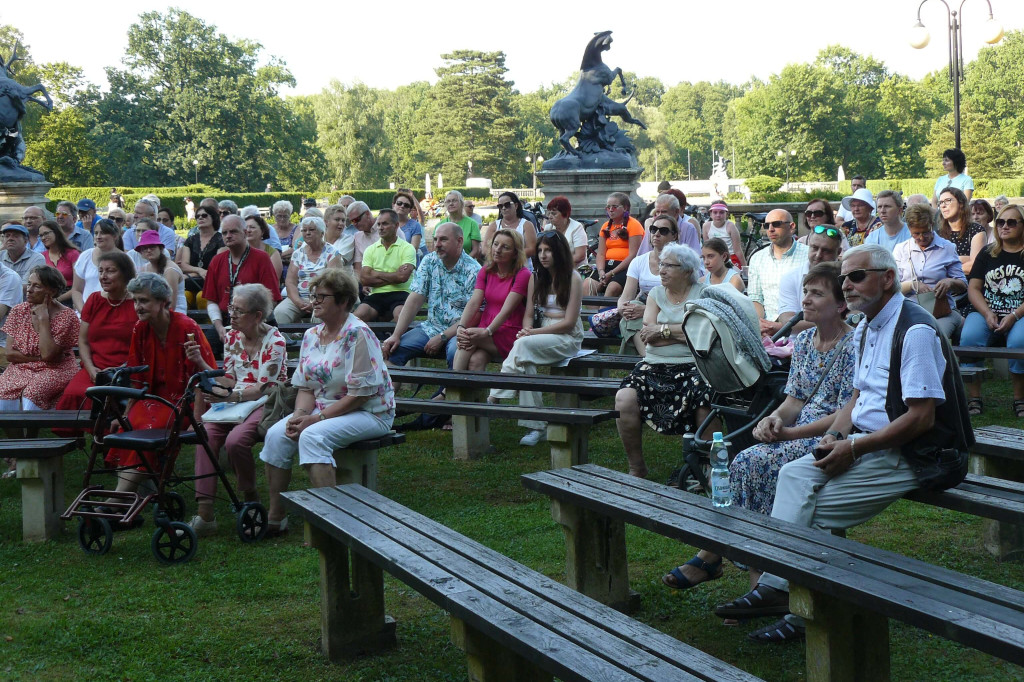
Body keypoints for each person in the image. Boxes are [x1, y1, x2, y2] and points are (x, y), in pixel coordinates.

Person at [714, 243, 970, 644]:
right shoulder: (868, 325)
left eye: (856, 276)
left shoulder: (915, 330)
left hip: (916, 453)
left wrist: (854, 448)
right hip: (865, 441)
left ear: (887, 279)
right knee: (791, 476)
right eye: (845, 278)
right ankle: (781, 593)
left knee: (806, 515)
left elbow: (922, 419)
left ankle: (787, 603)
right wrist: (836, 435)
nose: (847, 285)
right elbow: (857, 396)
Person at [662, 262, 855, 591]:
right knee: (748, 460)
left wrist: (790, 432)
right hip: (797, 429)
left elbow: (845, 413)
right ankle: (748, 566)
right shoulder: (806, 340)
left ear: (840, 305)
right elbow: (793, 400)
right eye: (805, 292)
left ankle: (735, 566)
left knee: (754, 462)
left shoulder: (854, 344)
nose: (806, 300)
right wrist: (774, 419)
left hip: (831, 434)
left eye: (817, 294)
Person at [259, 268, 395, 536]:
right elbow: (306, 385)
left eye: (322, 296)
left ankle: (333, 524)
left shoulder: (358, 334)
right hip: (322, 408)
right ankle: (276, 516)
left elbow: (361, 395)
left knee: (312, 437)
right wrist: (299, 414)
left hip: (370, 411)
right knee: (276, 435)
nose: (315, 301)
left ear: (343, 301)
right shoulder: (312, 335)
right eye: (314, 295)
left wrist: (315, 420)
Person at [103, 273, 217, 495]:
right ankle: (128, 496)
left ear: (163, 302)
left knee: (150, 427)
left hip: (187, 402)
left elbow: (202, 379)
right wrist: (126, 413)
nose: (137, 306)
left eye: (144, 301)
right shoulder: (140, 328)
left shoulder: (187, 327)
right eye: (135, 300)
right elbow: (136, 378)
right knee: (129, 427)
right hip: (152, 399)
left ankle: (118, 500)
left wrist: (198, 420)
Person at [190, 284, 287, 536]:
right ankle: (205, 513)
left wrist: (231, 395)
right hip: (235, 400)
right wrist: (201, 363)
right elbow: (231, 377)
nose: (230, 314)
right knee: (205, 436)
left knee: (236, 441)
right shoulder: (233, 336)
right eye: (231, 308)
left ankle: (250, 494)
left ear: (257, 315)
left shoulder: (275, 341)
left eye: (238, 310)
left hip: (266, 401)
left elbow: (263, 388)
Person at [615, 243, 711, 479]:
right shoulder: (656, 294)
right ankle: (637, 467)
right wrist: (682, 332)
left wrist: (663, 331)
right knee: (624, 397)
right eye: (661, 264)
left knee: (703, 397)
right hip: (654, 364)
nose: (662, 270)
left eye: (669, 265)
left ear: (688, 271)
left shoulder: (704, 293)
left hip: (693, 365)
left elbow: (703, 335)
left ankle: (707, 468)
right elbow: (648, 336)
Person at [488, 232, 584, 446]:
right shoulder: (536, 277)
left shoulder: (573, 277)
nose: (543, 255)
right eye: (540, 250)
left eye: (548, 250)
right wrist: (527, 329)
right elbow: (529, 314)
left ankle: (496, 395)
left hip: (566, 336)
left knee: (522, 346)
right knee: (526, 361)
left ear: (559, 252)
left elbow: (569, 322)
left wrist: (531, 334)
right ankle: (536, 426)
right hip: (540, 333)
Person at [381, 222, 481, 368]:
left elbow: (476, 315)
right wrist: (396, 335)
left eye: (443, 239)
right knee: (392, 350)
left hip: (459, 331)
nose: (437, 244)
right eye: (435, 239)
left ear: (459, 241)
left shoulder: (473, 270)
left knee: (456, 354)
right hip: (431, 327)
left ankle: (446, 390)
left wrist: (442, 337)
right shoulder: (429, 261)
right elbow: (414, 300)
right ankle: (389, 390)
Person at [960, 203, 1024, 417]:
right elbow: (974, 288)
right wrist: (987, 313)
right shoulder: (988, 253)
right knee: (969, 336)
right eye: (1001, 222)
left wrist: (1014, 316)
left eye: (1012, 222)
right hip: (986, 310)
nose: (1005, 226)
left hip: (1020, 313)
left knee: (1019, 342)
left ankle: (1019, 398)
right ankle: (974, 398)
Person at [57, 252, 138, 412]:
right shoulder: (94, 300)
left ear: (125, 274)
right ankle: (78, 437)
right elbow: (83, 341)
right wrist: (90, 367)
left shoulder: (138, 304)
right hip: (95, 367)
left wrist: (121, 369)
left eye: (110, 271)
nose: (103, 276)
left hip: (127, 370)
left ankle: (106, 434)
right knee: (74, 394)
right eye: (100, 271)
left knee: (113, 400)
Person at [0, 266, 80, 411]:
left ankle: (32, 433)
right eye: (29, 284)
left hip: (56, 369)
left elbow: (49, 355)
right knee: (3, 393)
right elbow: (10, 354)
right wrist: (39, 359)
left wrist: (43, 319)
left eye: (36, 286)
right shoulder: (19, 311)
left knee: (32, 395)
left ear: (52, 291)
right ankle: (16, 435)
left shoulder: (67, 316)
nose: (29, 289)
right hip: (21, 367)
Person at [453, 229, 531, 371]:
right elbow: (474, 302)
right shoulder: (486, 271)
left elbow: (507, 311)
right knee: (476, 360)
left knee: (469, 338)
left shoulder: (523, 274)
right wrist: (461, 326)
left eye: (505, 247)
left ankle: (448, 389)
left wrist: (487, 332)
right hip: (486, 326)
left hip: (508, 330)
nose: (498, 250)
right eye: (495, 244)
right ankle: (468, 392)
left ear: (515, 253)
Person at [611, 215, 683, 355]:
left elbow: (679, 302)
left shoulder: (680, 262)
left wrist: (645, 309)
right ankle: (649, 358)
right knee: (629, 319)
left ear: (673, 236)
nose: (656, 234)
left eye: (663, 231)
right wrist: (624, 309)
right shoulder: (639, 261)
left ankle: (647, 360)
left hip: (670, 313)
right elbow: (626, 296)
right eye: (653, 229)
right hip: (644, 315)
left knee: (630, 324)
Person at [203, 216, 282, 343]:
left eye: (233, 231)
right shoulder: (217, 261)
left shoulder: (262, 258)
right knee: (208, 348)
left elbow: (271, 299)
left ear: (245, 232)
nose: (228, 236)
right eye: (224, 233)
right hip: (225, 320)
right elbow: (211, 301)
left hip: (257, 321)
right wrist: (219, 327)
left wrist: (249, 324)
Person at [893, 204, 967, 339]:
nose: (921, 237)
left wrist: (949, 282)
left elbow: (963, 285)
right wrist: (913, 285)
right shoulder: (901, 250)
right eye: (916, 233)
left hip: (942, 312)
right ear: (909, 229)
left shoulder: (947, 248)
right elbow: (893, 289)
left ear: (932, 225)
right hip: (909, 311)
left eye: (926, 232)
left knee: (932, 337)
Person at [775, 224, 845, 336]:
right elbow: (788, 323)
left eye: (826, 251)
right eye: (815, 248)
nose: (818, 255)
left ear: (838, 251)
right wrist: (838, 322)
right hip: (797, 345)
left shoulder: (848, 278)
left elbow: (858, 317)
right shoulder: (790, 277)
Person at [747, 209, 809, 331]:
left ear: (791, 227)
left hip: (800, 328)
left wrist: (782, 327)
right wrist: (761, 324)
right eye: (766, 225)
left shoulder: (809, 255)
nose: (770, 229)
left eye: (776, 224)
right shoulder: (757, 258)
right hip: (767, 328)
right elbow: (756, 298)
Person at [276, 216, 342, 323]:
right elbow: (290, 281)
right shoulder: (298, 253)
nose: (307, 233)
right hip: (300, 297)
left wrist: (316, 301)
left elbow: (333, 284)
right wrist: (298, 301)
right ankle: (288, 339)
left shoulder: (333, 253)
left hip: (324, 298)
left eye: (312, 230)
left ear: (322, 233)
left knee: (319, 316)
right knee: (280, 312)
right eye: (304, 230)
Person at [354, 210, 416, 323]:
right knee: (356, 317)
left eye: (385, 224)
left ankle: (398, 340)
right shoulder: (370, 250)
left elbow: (403, 277)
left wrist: (375, 273)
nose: (380, 228)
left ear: (396, 225)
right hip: (376, 294)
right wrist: (395, 275)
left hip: (401, 293)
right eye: (378, 224)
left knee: (401, 317)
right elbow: (364, 279)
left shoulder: (407, 248)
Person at [938, 186, 986, 323]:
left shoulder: (976, 230)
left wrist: (947, 263)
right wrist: (964, 259)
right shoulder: (937, 233)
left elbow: (975, 266)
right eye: (941, 202)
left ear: (960, 203)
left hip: (969, 292)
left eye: (948, 200)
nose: (944, 205)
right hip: (943, 291)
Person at [586, 192, 644, 297]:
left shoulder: (634, 225)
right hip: (607, 266)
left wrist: (611, 273)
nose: (610, 210)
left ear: (625, 208)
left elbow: (633, 255)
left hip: (626, 267)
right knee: (587, 285)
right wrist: (601, 272)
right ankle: (594, 312)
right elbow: (601, 254)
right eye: (608, 207)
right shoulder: (605, 226)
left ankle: (603, 312)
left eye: (614, 207)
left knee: (612, 288)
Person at [71, 219, 123, 311]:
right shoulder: (85, 256)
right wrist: (83, 312)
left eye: (103, 233)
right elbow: (76, 290)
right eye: (96, 233)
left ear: (114, 236)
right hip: (87, 312)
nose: (98, 236)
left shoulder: (125, 259)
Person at [180, 205, 224, 309]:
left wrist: (192, 273)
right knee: (185, 296)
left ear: (213, 218)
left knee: (202, 297)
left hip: (212, 283)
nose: (200, 218)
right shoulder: (190, 240)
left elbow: (216, 268)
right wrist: (199, 271)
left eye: (204, 215)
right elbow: (183, 265)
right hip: (192, 283)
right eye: (197, 216)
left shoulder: (221, 239)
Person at [135, 225, 187, 312]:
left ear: (161, 249)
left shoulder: (170, 270)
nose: (148, 250)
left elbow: (170, 306)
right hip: (152, 312)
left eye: (152, 247)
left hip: (175, 315)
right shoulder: (144, 269)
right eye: (144, 248)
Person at [483, 191, 538, 269]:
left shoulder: (527, 225)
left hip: (522, 269)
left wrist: (509, 255)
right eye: (500, 206)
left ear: (516, 206)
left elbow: (532, 249)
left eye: (507, 205)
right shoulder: (494, 226)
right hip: (498, 269)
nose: (504, 208)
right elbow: (485, 248)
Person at [638, 192, 701, 259]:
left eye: (664, 212)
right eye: (657, 212)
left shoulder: (688, 228)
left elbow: (695, 258)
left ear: (676, 212)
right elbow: (643, 255)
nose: (660, 215)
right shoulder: (653, 228)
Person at [38, 220, 80, 305]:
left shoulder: (73, 254)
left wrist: (57, 300)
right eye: (41, 235)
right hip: (48, 297)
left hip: (70, 297)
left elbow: (77, 287)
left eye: (46, 233)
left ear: (56, 232)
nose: (43, 238)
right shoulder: (41, 256)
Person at [543, 196, 587, 266]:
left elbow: (580, 256)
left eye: (554, 214)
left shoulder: (577, 228)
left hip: (575, 270)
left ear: (565, 214)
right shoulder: (548, 229)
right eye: (549, 213)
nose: (550, 217)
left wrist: (560, 265)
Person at [701, 202, 746, 268]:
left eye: (721, 212)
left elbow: (737, 250)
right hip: (713, 258)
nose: (718, 215)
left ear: (727, 214)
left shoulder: (731, 226)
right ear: (710, 214)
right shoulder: (706, 226)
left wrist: (745, 267)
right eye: (715, 212)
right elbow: (707, 248)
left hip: (730, 258)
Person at [439, 191, 481, 259]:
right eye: (448, 201)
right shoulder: (440, 225)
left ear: (461, 203)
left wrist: (462, 264)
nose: (451, 203)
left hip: (467, 265)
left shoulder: (472, 224)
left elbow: (476, 250)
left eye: (454, 200)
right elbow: (435, 249)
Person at [244, 213, 284, 282]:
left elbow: (273, 280)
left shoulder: (273, 253)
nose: (248, 230)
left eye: (252, 227)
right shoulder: (239, 251)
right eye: (246, 227)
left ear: (262, 231)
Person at [393, 190, 426, 264]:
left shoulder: (415, 225)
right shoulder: (385, 222)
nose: (402, 206)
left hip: (408, 264)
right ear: (393, 205)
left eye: (406, 205)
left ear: (409, 210)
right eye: (399, 203)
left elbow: (413, 250)